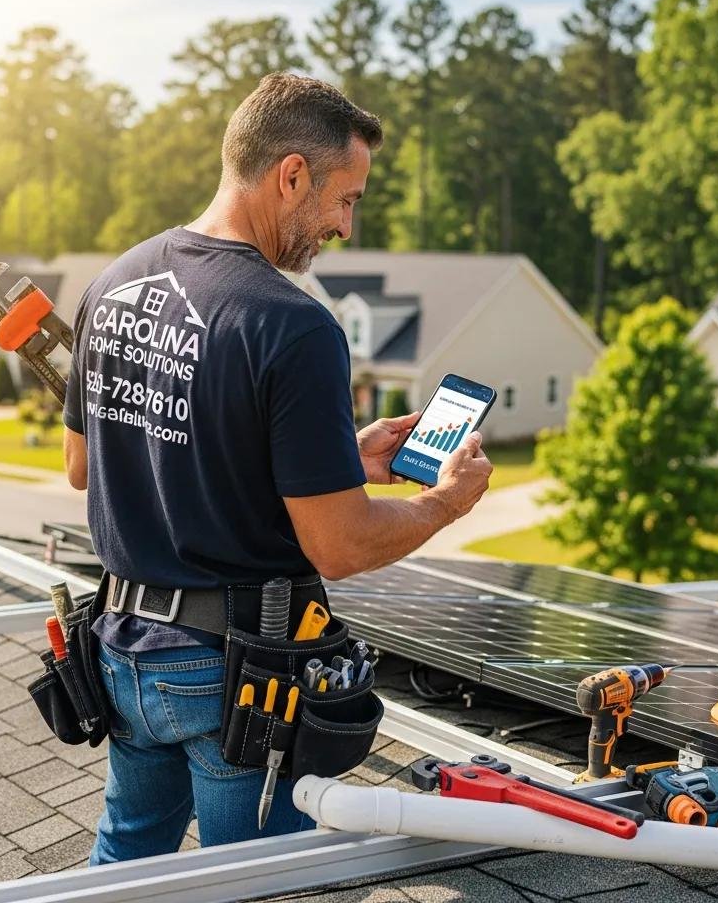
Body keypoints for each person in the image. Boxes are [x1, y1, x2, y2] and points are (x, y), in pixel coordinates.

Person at [61, 72, 493, 863]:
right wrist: (446, 504)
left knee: (124, 871)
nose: (346, 227)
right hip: (230, 675)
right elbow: (341, 547)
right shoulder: (292, 324)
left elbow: (87, 467)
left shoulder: (113, 283)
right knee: (259, 881)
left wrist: (336, 461)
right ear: (292, 173)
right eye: (346, 198)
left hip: (122, 650)